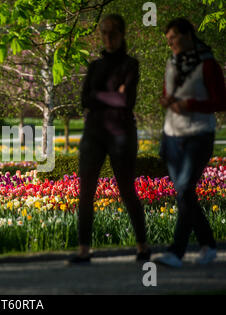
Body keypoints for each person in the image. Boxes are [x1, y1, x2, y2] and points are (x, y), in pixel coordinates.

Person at [68, 14, 150, 264]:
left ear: (123, 34)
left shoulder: (130, 64)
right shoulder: (95, 66)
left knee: (127, 189)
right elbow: (84, 100)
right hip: (94, 134)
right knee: (86, 193)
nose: (108, 37)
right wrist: (112, 95)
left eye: (113, 32)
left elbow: (126, 101)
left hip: (121, 133)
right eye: (104, 32)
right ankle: (84, 249)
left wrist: (99, 96)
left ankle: (142, 246)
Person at [154, 18, 226, 268]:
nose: (171, 43)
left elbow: (220, 102)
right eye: (168, 40)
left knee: (184, 189)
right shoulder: (171, 63)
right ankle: (208, 244)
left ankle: (176, 252)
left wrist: (190, 105)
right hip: (172, 134)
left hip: (198, 134)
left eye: (174, 38)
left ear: (188, 35)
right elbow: (168, 93)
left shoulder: (208, 65)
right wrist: (167, 100)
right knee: (184, 193)